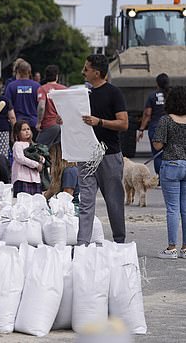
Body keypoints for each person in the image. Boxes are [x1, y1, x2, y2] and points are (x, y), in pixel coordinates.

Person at [78, 54, 128, 245]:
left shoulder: (114, 93)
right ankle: (82, 244)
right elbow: (78, 120)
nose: (83, 72)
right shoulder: (84, 94)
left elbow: (123, 124)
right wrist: (64, 120)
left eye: (86, 68)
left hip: (109, 155)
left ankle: (119, 242)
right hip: (87, 155)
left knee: (114, 202)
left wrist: (100, 122)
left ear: (96, 73)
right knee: (86, 202)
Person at [152, 85, 186, 259]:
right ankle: (185, 249)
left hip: (171, 164)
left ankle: (171, 248)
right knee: (185, 208)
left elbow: (157, 144)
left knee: (172, 209)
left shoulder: (166, 120)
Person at [138, 73, 169, 179]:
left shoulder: (152, 96)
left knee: (157, 154)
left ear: (157, 83)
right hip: (170, 127)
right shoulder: (171, 95)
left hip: (155, 127)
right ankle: (170, 175)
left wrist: (141, 129)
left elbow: (147, 114)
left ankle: (160, 177)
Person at [3, 59, 40, 137]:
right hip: (34, 123)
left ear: (18, 72)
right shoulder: (37, 86)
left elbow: (7, 106)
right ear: (29, 72)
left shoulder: (11, 86)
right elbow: (41, 105)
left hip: (18, 124)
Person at [11, 120, 44, 196]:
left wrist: (41, 160)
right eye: (23, 130)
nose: (27, 131)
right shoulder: (18, 145)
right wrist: (36, 164)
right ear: (17, 133)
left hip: (34, 179)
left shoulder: (33, 145)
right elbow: (20, 158)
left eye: (28, 129)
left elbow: (41, 156)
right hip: (22, 177)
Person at [36, 64, 67, 146]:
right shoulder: (64, 89)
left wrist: (39, 122)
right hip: (62, 125)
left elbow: (41, 106)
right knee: (57, 152)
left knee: (39, 149)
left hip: (48, 124)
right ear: (57, 76)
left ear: (45, 76)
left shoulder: (42, 89)